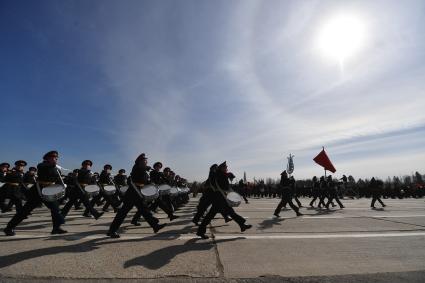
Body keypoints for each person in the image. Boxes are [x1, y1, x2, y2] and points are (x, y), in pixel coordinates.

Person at [4, 151, 67, 236]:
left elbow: (58, 178)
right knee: (25, 211)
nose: (55, 159)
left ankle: (56, 228)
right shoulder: (42, 165)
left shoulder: (56, 168)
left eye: (56, 158)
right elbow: (45, 168)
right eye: (52, 157)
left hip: (50, 191)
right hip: (38, 192)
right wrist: (54, 165)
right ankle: (9, 228)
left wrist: (62, 186)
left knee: (55, 209)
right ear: (47, 158)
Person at [107, 153, 165, 238]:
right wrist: (146, 168)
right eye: (144, 160)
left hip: (138, 193)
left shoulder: (144, 171)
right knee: (123, 212)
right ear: (139, 161)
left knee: (143, 209)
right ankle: (112, 231)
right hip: (132, 193)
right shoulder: (136, 167)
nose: (146, 162)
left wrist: (151, 183)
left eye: (146, 161)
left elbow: (145, 181)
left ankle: (155, 226)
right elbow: (139, 170)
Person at [196, 161, 252, 239]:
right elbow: (225, 187)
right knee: (211, 216)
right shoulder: (220, 175)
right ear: (222, 168)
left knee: (230, 212)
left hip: (220, 199)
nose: (227, 169)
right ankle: (200, 231)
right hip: (219, 199)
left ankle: (242, 225)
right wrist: (227, 175)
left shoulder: (219, 174)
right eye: (225, 167)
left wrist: (227, 175)